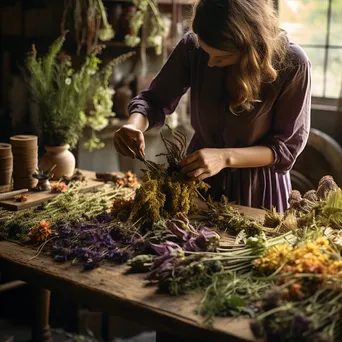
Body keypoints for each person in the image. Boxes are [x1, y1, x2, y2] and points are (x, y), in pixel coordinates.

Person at [113, 0, 311, 213]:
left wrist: (224, 157)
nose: (209, 63)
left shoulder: (292, 63)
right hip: (199, 178)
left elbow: (285, 149)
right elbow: (154, 99)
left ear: (249, 47)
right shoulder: (193, 46)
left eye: (221, 57)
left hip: (257, 189)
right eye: (206, 53)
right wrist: (134, 125)